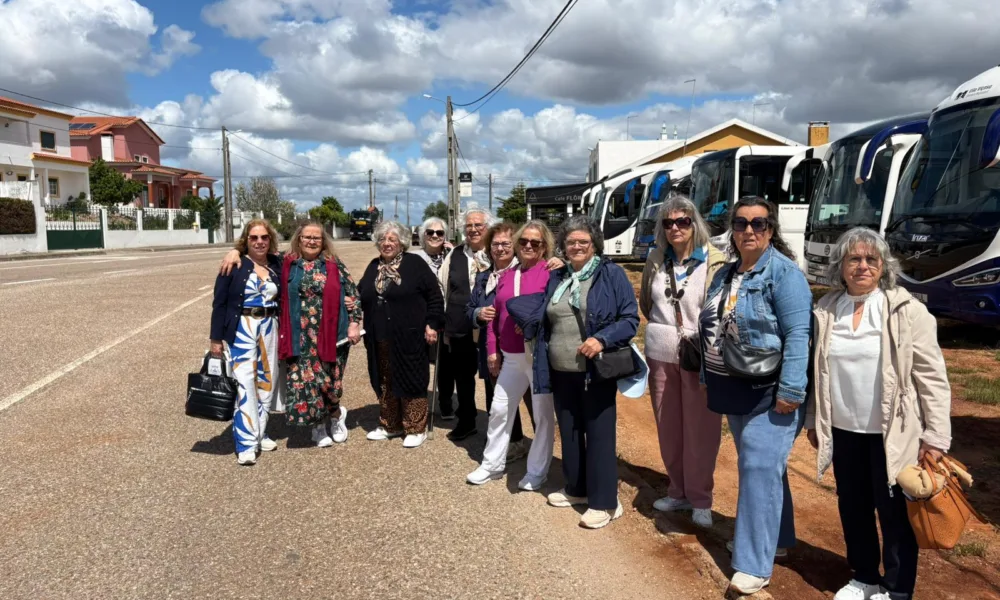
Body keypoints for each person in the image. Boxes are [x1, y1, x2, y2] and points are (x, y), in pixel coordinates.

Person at [807, 228, 951, 600]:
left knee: (895, 513)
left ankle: (897, 589)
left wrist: (935, 436)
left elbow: (931, 376)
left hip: (893, 433)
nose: (863, 266)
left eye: (871, 259)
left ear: (883, 265)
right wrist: (814, 422)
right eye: (854, 259)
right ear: (841, 266)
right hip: (843, 429)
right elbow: (816, 373)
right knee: (853, 506)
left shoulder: (906, 310)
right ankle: (865, 576)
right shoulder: (825, 310)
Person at [698, 196, 812, 595]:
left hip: (772, 389)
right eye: (741, 223)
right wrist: (705, 373)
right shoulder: (725, 274)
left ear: (771, 229)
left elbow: (799, 334)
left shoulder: (785, 275)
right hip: (733, 384)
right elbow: (711, 326)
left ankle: (753, 563)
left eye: (759, 224)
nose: (749, 230)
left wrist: (792, 389)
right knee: (766, 468)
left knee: (758, 467)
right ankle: (776, 540)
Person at [528, 215, 639, 529]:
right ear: (563, 246)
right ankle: (577, 489)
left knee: (600, 435)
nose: (576, 246)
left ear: (594, 245)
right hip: (561, 369)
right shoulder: (559, 276)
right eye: (571, 242)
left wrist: (601, 338)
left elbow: (630, 319)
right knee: (571, 431)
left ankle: (605, 502)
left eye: (583, 242)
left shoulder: (610, 274)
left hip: (595, 370)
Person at [639, 196, 726, 528]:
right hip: (660, 355)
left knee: (701, 431)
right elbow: (648, 303)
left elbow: (718, 310)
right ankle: (678, 491)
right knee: (668, 427)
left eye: (682, 221)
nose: (675, 227)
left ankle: (701, 498)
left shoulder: (714, 261)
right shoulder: (656, 260)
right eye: (668, 222)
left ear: (695, 223)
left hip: (699, 356)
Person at [466, 220, 556, 490]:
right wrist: (492, 350)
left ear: (544, 247)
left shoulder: (551, 272)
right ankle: (492, 464)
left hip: (537, 356)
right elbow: (494, 317)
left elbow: (554, 311)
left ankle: (537, 472)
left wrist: (533, 323)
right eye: (524, 241)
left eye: (535, 242)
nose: (528, 246)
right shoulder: (507, 275)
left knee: (542, 416)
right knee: (499, 410)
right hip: (511, 357)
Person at [358, 220, 444, 448]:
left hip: (409, 334)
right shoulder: (373, 266)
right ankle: (390, 424)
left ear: (402, 243)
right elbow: (361, 293)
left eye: (392, 239)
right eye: (383, 239)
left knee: (412, 377)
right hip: (379, 335)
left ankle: (415, 427)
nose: (387, 243)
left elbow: (434, 296)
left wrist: (432, 323)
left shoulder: (414, 264)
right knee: (384, 380)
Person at [278, 222, 363, 448]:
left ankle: (335, 415)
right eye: (307, 237)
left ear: (323, 241)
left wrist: (354, 324)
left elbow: (353, 296)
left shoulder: (334, 265)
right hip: (300, 334)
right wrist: (234, 251)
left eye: (316, 238)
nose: (312, 241)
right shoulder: (287, 264)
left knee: (331, 382)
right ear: (299, 238)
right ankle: (317, 426)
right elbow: (256, 253)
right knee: (307, 381)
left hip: (332, 334)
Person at [210, 219, 283, 466]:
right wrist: (215, 339)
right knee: (244, 385)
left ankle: (260, 432)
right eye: (253, 238)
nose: (259, 242)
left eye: (264, 237)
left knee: (267, 384)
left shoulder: (277, 264)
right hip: (242, 329)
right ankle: (245, 443)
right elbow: (219, 303)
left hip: (270, 328)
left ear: (270, 240)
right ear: (246, 241)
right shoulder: (235, 264)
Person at [467, 222, 536, 462]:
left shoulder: (527, 271)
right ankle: (513, 442)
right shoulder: (484, 277)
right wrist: (477, 314)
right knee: (501, 400)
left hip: (524, 347)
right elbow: (470, 307)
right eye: (495, 244)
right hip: (493, 347)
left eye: (506, 243)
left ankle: (542, 446)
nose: (500, 248)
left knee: (534, 400)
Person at [436, 209, 493, 440]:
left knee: (492, 375)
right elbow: (443, 285)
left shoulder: (497, 251)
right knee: (463, 376)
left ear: (487, 227)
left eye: (478, 225)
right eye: (469, 226)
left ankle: (497, 425)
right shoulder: (455, 254)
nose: (473, 229)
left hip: (490, 325)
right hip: (460, 323)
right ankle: (467, 420)